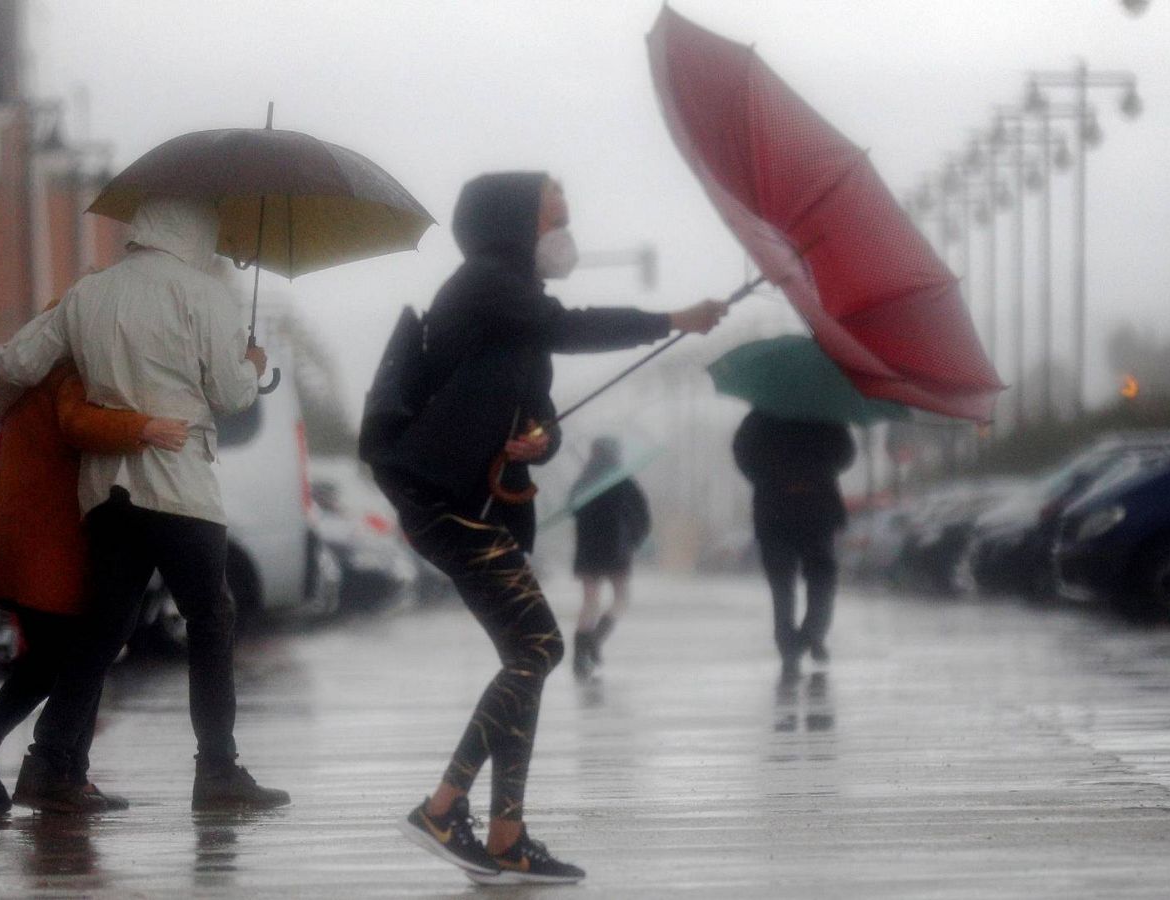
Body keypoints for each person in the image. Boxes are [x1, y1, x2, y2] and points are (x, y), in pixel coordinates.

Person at [362, 172, 727, 884]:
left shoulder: (515, 307)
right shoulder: (485, 286)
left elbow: (540, 414)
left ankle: (506, 838)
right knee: (539, 646)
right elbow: (569, 324)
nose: (564, 237)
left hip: (479, 502)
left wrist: (538, 441)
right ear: (512, 227)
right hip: (445, 501)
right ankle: (443, 808)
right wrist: (671, 318)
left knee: (526, 660)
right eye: (552, 221)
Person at [0, 195, 289, 813]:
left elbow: (17, 360)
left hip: (106, 488)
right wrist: (252, 365)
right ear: (196, 232)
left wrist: (1, 414)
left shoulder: (89, 292)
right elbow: (231, 395)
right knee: (210, 621)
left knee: (101, 632)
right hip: (180, 486)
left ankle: (48, 765)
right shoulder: (203, 294)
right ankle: (218, 771)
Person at [0, 358, 189, 814]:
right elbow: (78, 423)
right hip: (46, 540)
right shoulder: (69, 363)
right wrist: (145, 428)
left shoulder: (43, 360)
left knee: (70, 655)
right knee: (71, 655)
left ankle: (62, 773)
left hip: (39, 536)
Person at [731, 410, 856, 680]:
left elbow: (742, 455)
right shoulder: (825, 413)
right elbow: (845, 455)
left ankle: (789, 644)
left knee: (782, 583)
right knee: (821, 576)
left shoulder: (761, 416)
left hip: (775, 507)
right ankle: (813, 633)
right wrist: (820, 468)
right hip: (817, 505)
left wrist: (767, 477)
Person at [568, 436, 651, 680]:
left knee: (590, 600)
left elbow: (572, 508)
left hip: (588, 550)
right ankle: (595, 640)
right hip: (617, 548)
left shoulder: (583, 481)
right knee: (621, 597)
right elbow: (642, 515)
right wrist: (633, 540)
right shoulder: (623, 481)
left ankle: (580, 655)